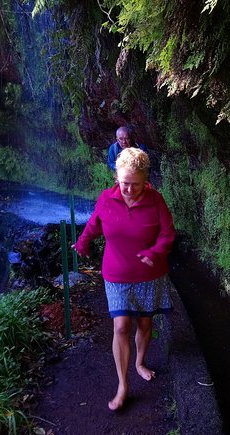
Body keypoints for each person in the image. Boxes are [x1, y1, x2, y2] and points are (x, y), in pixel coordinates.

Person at [74, 147, 175, 411]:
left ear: (145, 180)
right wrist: (83, 242)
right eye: (123, 183)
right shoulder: (107, 199)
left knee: (144, 323)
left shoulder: (156, 200)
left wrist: (155, 251)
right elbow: (95, 223)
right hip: (116, 273)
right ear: (116, 178)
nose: (128, 190)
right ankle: (123, 385)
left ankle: (140, 362)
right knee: (121, 326)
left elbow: (167, 233)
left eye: (135, 185)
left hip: (148, 274)